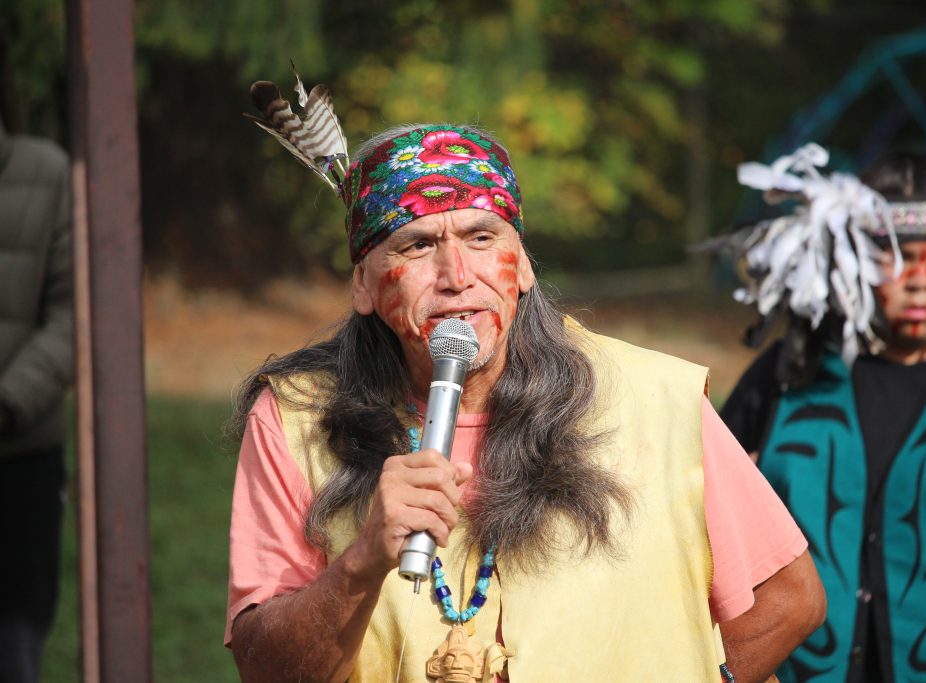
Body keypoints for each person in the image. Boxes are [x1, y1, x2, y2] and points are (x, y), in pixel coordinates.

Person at [227, 75, 824, 682]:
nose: (456, 275)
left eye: (482, 238)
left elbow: (787, 601)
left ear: (524, 269)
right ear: (362, 284)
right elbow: (265, 670)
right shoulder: (293, 419)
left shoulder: (654, 399)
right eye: (415, 245)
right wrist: (361, 559)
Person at [720, 145, 926, 682]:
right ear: (849, 260)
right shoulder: (789, 378)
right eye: (895, 255)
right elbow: (707, 520)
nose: (920, 277)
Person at [0, 21, 74, 683]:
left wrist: (6, 402)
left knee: (16, 646)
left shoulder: (44, 173)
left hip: (18, 456)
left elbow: (72, 313)